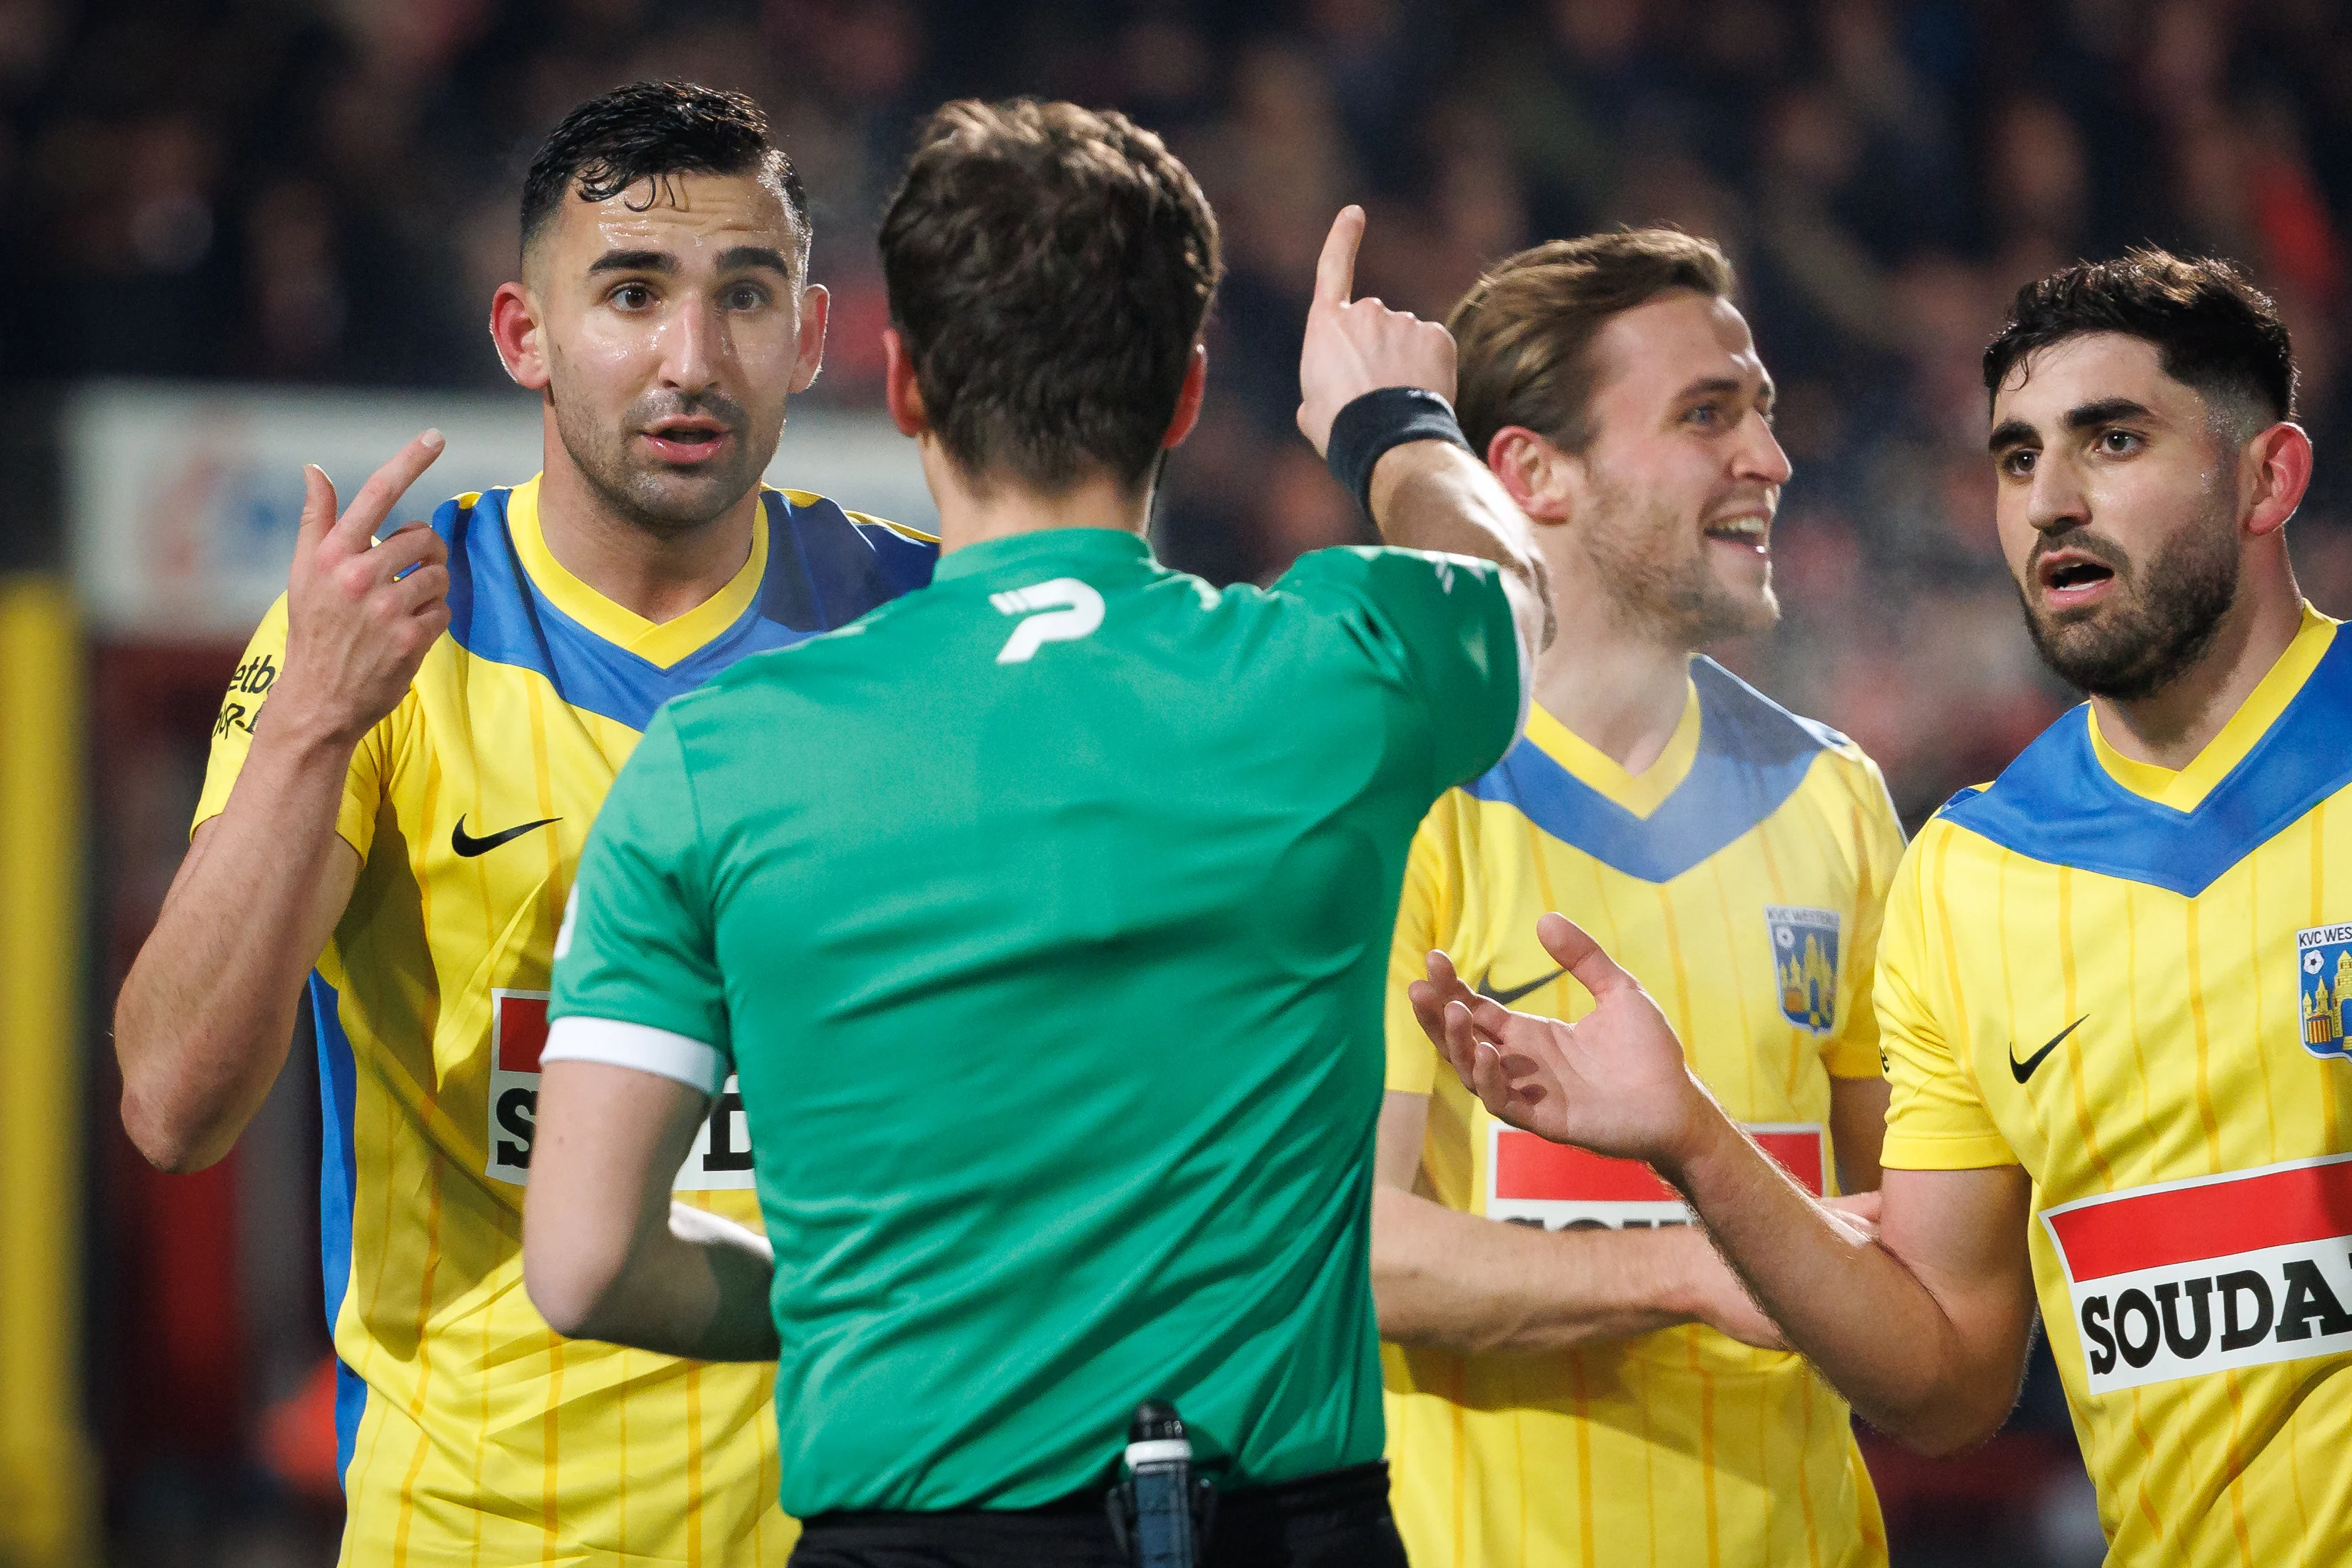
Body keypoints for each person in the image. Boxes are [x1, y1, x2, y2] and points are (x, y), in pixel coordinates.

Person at [517, 99, 1548, 1568]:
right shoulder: (1341, 672)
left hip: (905, 1534)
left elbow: (583, 1260)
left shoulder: (719, 762)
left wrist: (844, 1298)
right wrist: (1395, 423)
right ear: (1187, 394)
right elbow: (1510, 589)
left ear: (906, 384)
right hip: (1275, 1527)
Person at [1414, 249, 2352, 1567]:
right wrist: (1691, 1139)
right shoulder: (1972, 875)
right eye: (2016, 459)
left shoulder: (1839, 809)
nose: (2051, 501)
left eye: (2113, 440)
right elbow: (1948, 1379)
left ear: (2270, 478)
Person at [111, 81, 934, 1564]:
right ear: (524, 337)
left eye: (745, 296)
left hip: (858, 1523)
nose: (691, 359)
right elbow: (176, 1103)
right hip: (485, 1532)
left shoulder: (925, 631)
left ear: (812, 338)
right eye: (630, 293)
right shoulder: (382, 637)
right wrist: (309, 723)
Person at [1374, 231, 1899, 1568]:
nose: (1768, 461)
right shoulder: (1410, 798)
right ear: (1530, 474)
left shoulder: (1834, 804)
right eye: (1705, 414)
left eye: (1764, 415)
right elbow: (1349, 1252)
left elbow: (1907, 1266)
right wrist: (1692, 1267)